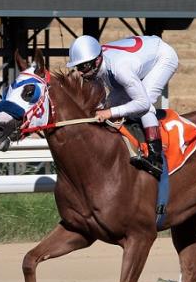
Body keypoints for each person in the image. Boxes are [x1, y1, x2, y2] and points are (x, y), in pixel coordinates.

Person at [66, 34, 179, 179]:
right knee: (109, 105)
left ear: (97, 60)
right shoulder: (96, 66)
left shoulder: (120, 69)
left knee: (145, 103)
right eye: (78, 67)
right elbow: (100, 104)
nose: (80, 72)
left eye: (83, 66)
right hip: (139, 59)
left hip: (163, 57)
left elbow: (142, 103)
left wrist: (110, 112)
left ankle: (155, 158)